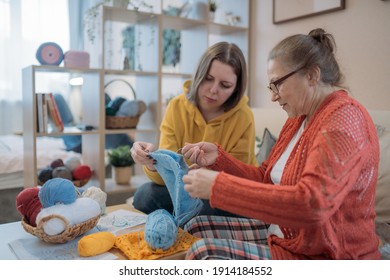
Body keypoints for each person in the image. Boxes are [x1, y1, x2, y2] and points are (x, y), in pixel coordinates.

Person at [181, 28, 381, 260]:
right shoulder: (298, 118)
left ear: (312, 75)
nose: (274, 96)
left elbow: (313, 204)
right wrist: (219, 160)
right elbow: (266, 177)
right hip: (289, 237)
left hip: (327, 254)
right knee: (195, 226)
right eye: (271, 86)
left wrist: (219, 187)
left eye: (278, 84)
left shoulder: (344, 118)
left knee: (202, 252)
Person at [131, 42, 257, 217]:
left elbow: (241, 180)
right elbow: (163, 180)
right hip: (183, 189)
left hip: (220, 194)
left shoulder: (244, 116)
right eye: (208, 78)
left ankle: (188, 217)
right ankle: (192, 218)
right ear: (199, 74)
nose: (213, 90)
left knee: (223, 207)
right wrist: (151, 162)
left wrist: (208, 177)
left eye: (225, 85)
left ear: (236, 88)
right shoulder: (176, 106)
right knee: (144, 195)